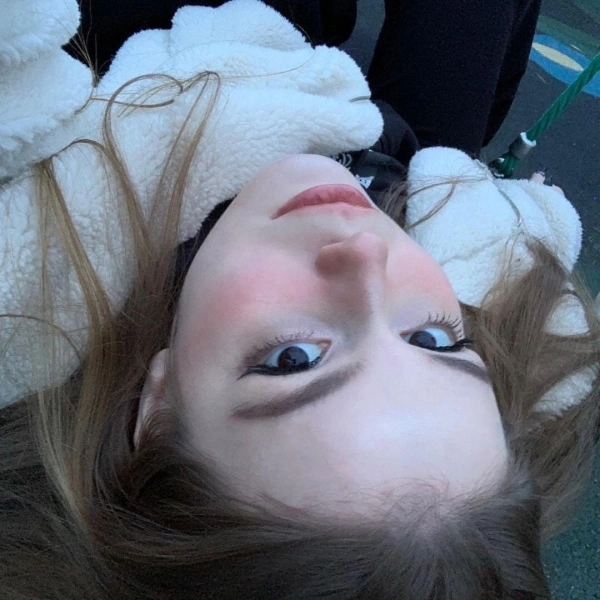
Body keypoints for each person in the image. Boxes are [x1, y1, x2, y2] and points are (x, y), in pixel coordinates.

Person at [1, 1, 599, 598]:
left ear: (158, 411)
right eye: (434, 340)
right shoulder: (430, 225)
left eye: (293, 358)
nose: (368, 256)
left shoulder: (65, 215)